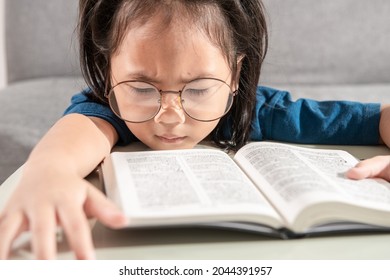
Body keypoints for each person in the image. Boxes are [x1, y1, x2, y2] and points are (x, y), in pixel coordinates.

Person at [1, 0, 390, 260]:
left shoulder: (262, 110)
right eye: (141, 87)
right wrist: (47, 173)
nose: (170, 115)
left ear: (236, 75)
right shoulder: (110, 107)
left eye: (200, 89)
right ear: (108, 74)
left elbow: (373, 118)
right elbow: (77, 131)